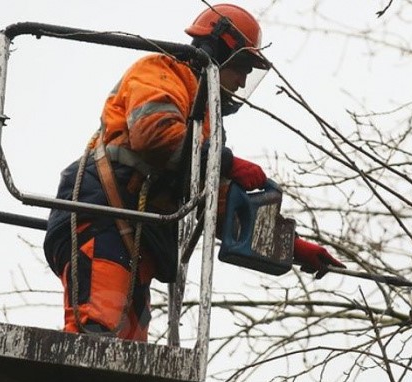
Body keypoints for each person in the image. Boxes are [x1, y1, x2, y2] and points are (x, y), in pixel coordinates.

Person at [43, 4, 343, 341]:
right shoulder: (162, 70)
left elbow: (216, 203)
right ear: (218, 49)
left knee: (127, 353)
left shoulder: (203, 120)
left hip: (137, 241)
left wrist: (292, 247)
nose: (243, 83)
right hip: (102, 221)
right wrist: (227, 163)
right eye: (242, 68)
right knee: (95, 335)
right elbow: (154, 134)